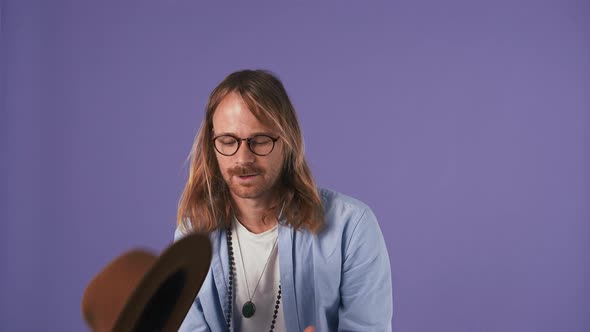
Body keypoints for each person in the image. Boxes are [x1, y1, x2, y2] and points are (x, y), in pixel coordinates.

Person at [175, 69, 392, 331]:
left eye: (260, 140)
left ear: (287, 142)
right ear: (212, 145)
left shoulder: (352, 227)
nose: (243, 159)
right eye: (228, 141)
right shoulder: (193, 234)